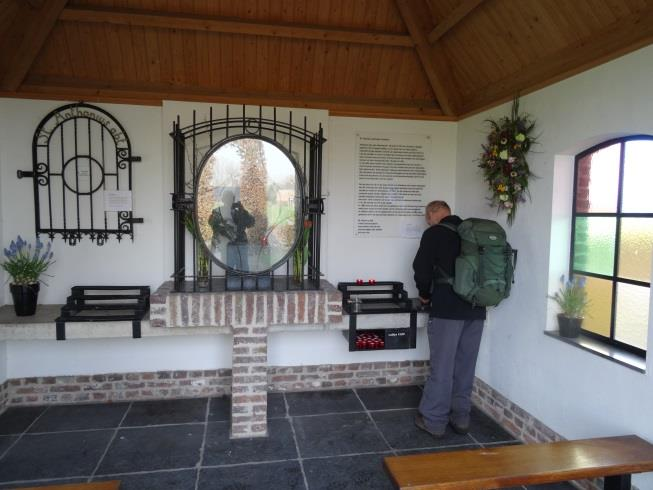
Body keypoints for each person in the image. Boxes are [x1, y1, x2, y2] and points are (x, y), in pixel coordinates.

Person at [412, 200, 486, 437]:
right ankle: (461, 418)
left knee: (442, 367)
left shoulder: (434, 233)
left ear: (434, 213)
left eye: (427, 218)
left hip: (447, 310)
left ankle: (434, 421)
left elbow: (421, 269)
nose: (428, 222)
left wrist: (424, 295)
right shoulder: (474, 234)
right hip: (476, 310)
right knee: (465, 365)